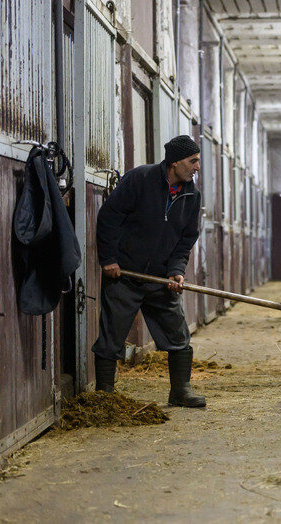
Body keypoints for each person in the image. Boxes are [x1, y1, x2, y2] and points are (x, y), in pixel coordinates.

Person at [92, 135, 206, 408]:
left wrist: (176, 271)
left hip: (160, 278)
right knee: (111, 336)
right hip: (125, 275)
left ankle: (181, 391)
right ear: (175, 162)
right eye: (193, 161)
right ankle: (104, 395)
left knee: (178, 335)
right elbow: (109, 218)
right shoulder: (139, 179)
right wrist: (109, 259)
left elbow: (186, 239)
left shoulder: (191, 195)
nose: (197, 167)